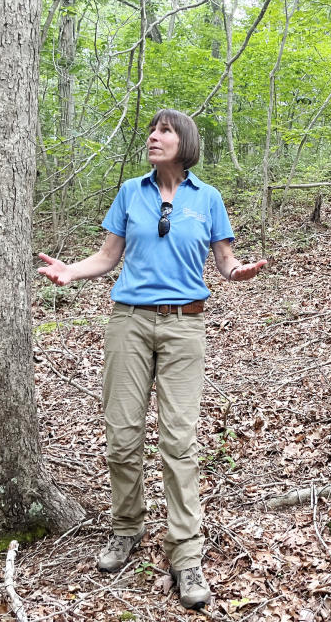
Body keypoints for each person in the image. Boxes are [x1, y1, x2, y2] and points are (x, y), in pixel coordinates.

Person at [37, 109, 266, 610]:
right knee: (121, 435)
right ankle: (126, 528)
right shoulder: (130, 192)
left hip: (186, 326)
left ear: (184, 141)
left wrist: (238, 271)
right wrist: (71, 272)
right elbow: (107, 256)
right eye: (151, 131)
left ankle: (185, 553)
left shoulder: (208, 199)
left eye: (164, 131)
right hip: (130, 323)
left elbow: (224, 260)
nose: (153, 137)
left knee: (178, 442)